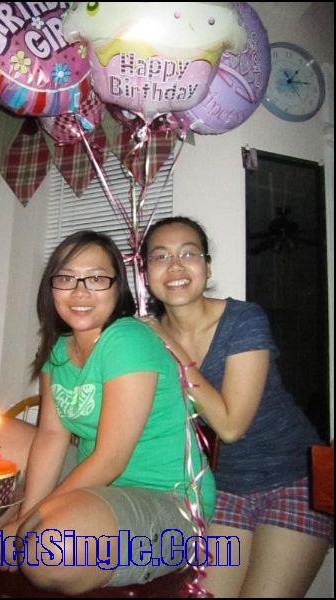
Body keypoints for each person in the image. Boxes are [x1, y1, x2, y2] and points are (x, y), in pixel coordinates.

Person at [0, 230, 215, 598]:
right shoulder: (60, 348)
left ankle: (6, 555)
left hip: (169, 500)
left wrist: (25, 526)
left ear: (118, 288)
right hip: (98, 479)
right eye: (66, 278)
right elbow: (51, 436)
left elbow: (111, 459)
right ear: (51, 288)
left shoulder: (128, 340)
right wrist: (26, 515)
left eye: (96, 278)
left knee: (51, 550)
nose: (80, 291)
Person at [140, 216, 334, 598]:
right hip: (223, 488)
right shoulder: (145, 340)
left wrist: (168, 344)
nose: (175, 266)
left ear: (207, 267)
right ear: (146, 275)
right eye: (160, 256)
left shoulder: (243, 319)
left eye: (188, 254)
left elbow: (230, 426)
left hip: (294, 478)